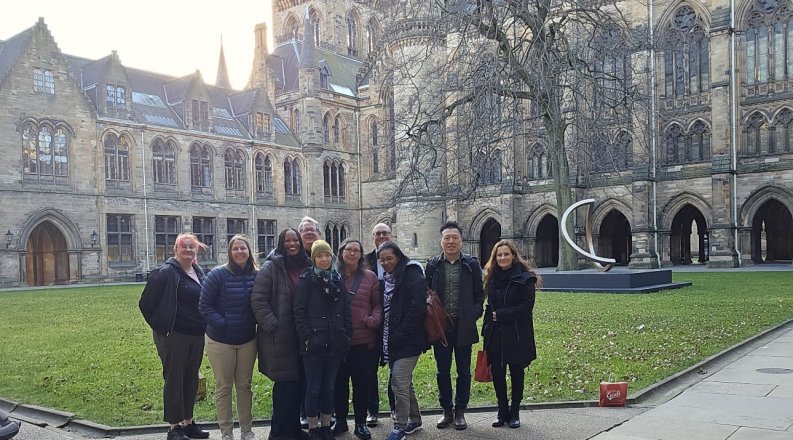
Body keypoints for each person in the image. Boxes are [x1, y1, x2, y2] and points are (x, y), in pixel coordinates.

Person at [139, 233, 211, 440]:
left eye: (192, 247)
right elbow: (145, 304)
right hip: (174, 335)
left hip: (196, 335)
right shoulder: (165, 273)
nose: (188, 250)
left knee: (191, 378)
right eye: (184, 247)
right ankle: (174, 427)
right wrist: (162, 328)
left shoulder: (198, 271)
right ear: (176, 250)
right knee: (174, 379)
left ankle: (188, 423)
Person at [251, 228, 312, 440]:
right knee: (285, 386)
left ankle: (293, 429)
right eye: (288, 240)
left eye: (295, 239)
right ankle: (279, 433)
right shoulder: (271, 267)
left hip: (303, 335)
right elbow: (258, 300)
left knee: (300, 384)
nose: (292, 244)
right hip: (281, 336)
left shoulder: (308, 265)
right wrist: (274, 325)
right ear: (281, 243)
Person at [424, 220, 484, 430]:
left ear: (461, 240)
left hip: (463, 325)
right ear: (441, 241)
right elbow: (426, 293)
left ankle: (460, 411)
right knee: (442, 371)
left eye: (454, 237)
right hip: (440, 327)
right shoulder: (432, 265)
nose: (451, 241)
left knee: (464, 371)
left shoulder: (471, 264)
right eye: (447, 238)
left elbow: (479, 294)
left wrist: (474, 313)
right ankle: (446, 410)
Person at [199, 235, 259, 440]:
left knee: (244, 386)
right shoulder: (216, 275)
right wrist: (224, 323)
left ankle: (247, 429)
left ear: (249, 251)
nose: (240, 252)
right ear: (230, 252)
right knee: (224, 386)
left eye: (243, 248)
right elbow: (204, 306)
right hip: (220, 341)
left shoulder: (256, 276)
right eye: (236, 249)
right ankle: (226, 431)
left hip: (247, 340)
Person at [294, 240, 352, 440]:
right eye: (320, 256)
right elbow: (299, 311)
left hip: (335, 342)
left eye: (327, 255)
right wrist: (308, 338)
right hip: (314, 344)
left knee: (329, 387)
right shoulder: (306, 280)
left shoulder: (338, 279)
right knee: (313, 387)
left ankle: (326, 425)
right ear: (314, 259)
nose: (324, 259)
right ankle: (313, 427)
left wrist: (346, 334)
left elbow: (346, 310)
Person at [481, 240, 540, 429]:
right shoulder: (492, 276)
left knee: (516, 372)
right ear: (495, 258)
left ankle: (515, 412)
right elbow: (489, 306)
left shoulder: (525, 277)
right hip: (495, 334)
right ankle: (502, 411)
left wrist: (501, 315)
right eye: (499, 255)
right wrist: (486, 327)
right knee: (497, 373)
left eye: (506, 254)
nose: (503, 258)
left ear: (513, 256)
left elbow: (526, 307)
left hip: (516, 333)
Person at [377, 241, 428, 440]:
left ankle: (400, 426)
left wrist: (401, 332)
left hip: (409, 339)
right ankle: (415, 419)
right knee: (404, 383)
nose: (386, 263)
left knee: (398, 381)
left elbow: (418, 308)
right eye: (382, 260)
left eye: (389, 258)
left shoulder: (411, 271)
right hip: (389, 339)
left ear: (398, 256)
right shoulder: (385, 278)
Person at [332, 239, 382, 440]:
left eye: (356, 250)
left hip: (363, 341)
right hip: (338, 341)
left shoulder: (370, 277)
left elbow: (378, 304)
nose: (352, 253)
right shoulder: (333, 276)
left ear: (361, 255)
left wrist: (374, 320)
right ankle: (341, 420)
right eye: (348, 250)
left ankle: (361, 423)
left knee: (361, 384)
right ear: (341, 252)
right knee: (338, 383)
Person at [363, 223, 393, 427]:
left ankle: (395, 408)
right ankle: (371, 410)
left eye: (385, 233)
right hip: (371, 322)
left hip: (393, 322)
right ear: (372, 237)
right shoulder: (364, 261)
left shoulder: (399, 259)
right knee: (369, 369)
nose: (381, 236)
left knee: (396, 369)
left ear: (391, 236)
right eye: (377, 234)